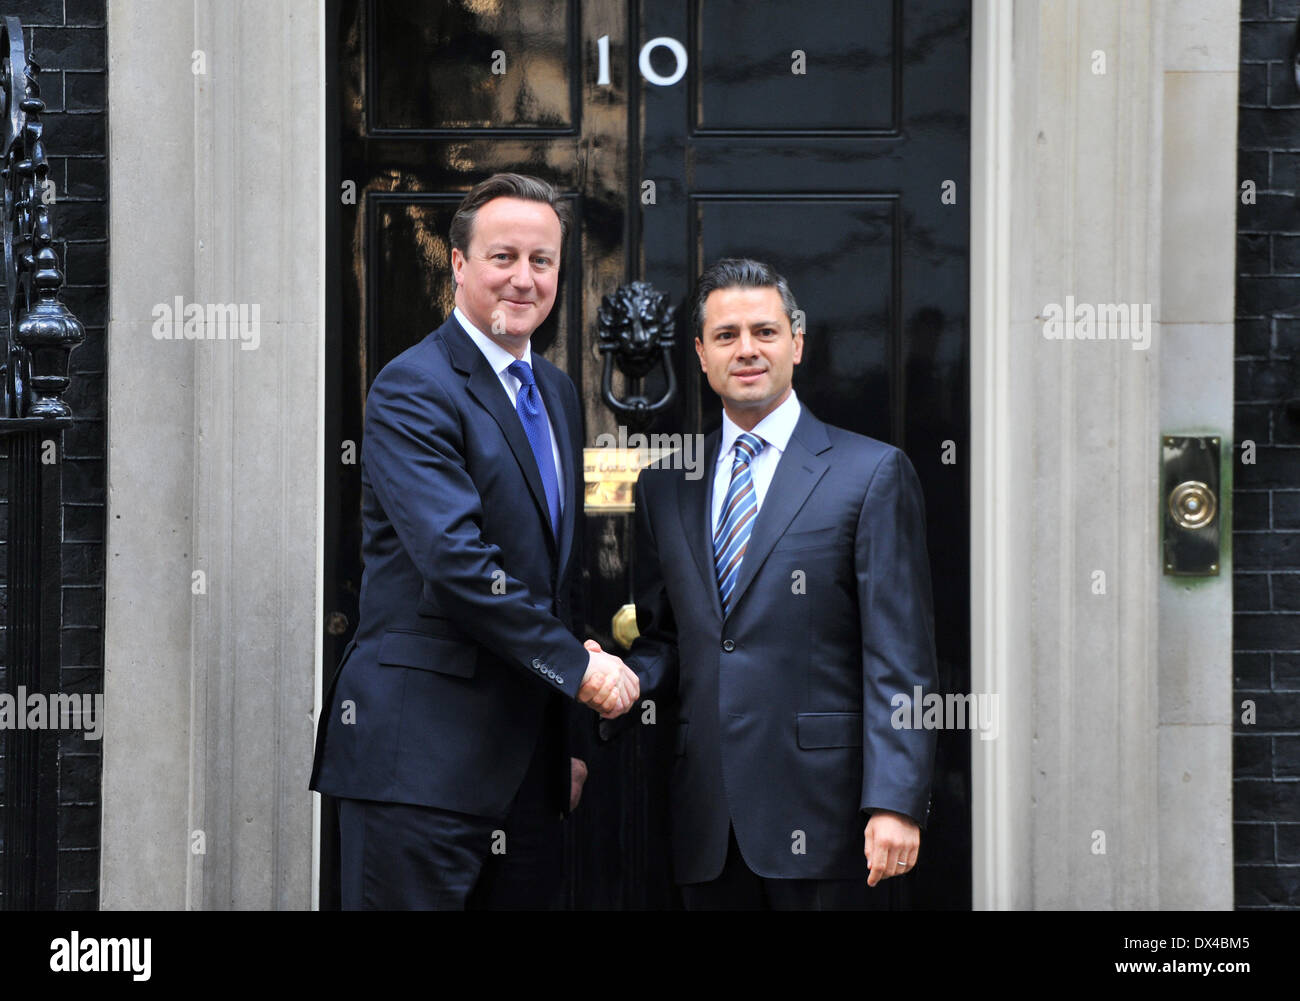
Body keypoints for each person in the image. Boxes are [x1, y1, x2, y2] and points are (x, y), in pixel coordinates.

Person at [310, 173, 638, 910]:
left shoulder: (554, 392)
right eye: (503, 257)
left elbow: (557, 577)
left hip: (530, 777)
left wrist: (569, 745)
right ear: (459, 265)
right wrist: (579, 673)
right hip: (419, 768)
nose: (524, 278)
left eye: (543, 260)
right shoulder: (414, 387)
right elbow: (458, 567)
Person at [611, 257, 938, 909]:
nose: (748, 349)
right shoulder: (665, 485)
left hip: (832, 821)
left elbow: (900, 658)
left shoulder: (871, 473)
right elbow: (666, 637)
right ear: (701, 355)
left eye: (765, 330)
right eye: (727, 335)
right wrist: (625, 677)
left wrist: (896, 801)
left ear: (797, 342)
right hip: (705, 822)